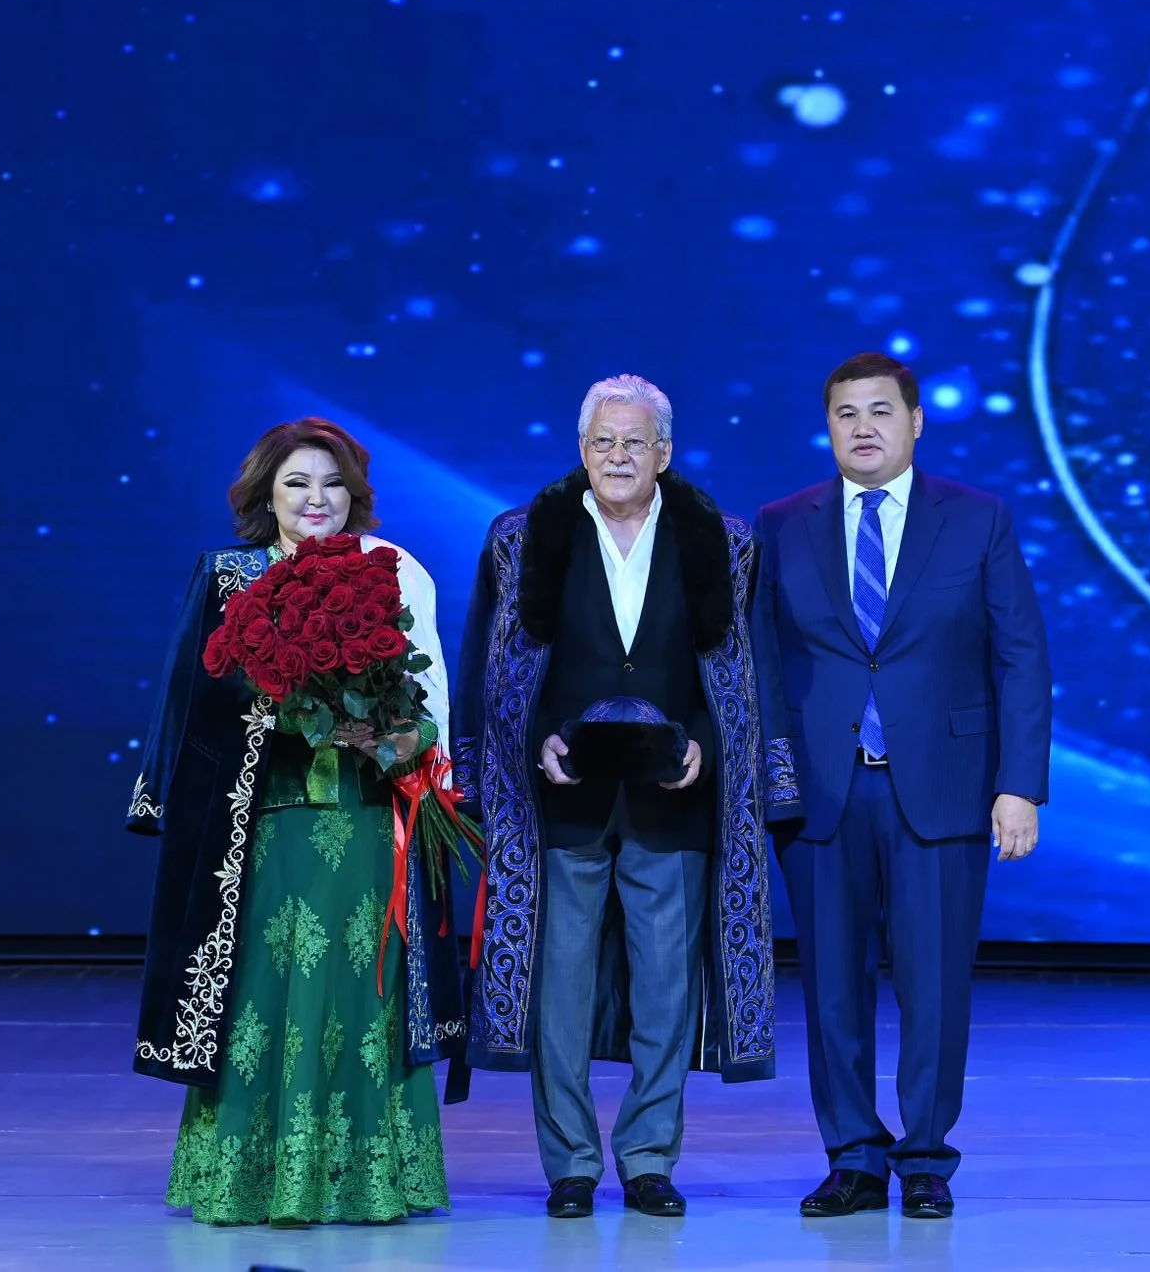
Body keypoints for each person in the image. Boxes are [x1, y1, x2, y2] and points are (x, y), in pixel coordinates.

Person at [453, 375, 797, 1219]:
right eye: (603, 441)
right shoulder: (521, 537)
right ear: (582, 449)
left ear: (663, 453)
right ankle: (571, 1164)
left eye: (634, 442)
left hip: (671, 797)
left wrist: (706, 746)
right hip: (561, 800)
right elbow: (489, 666)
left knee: (666, 993)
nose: (617, 457)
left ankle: (648, 1159)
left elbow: (744, 670)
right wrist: (536, 739)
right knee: (560, 993)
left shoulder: (722, 540)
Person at [128, 417, 468, 1226]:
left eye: (333, 484)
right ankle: (254, 1176)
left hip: (368, 825)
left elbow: (431, 710)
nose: (317, 499)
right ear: (266, 495)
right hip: (261, 832)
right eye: (297, 484)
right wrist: (280, 710)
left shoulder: (392, 571)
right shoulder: (227, 576)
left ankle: (365, 1178)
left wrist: (384, 735)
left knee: (363, 994)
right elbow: (190, 700)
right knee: (263, 993)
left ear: (356, 494)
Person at [754, 353, 1052, 1220]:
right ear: (828, 426)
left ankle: (925, 1156)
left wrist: (1019, 785)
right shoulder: (781, 524)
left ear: (915, 422)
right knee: (832, 989)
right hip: (823, 793)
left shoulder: (978, 518)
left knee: (936, 984)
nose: (864, 428)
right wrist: (774, 781)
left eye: (881, 411)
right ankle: (853, 1155)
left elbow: (1021, 657)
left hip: (945, 789)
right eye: (846, 413)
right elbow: (762, 664)